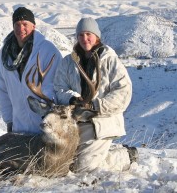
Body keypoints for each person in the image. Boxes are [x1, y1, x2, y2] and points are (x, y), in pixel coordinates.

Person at [54, 17, 138, 173]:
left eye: (88, 34)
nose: (84, 39)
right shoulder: (68, 62)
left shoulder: (110, 60)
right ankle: (102, 153)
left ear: (96, 36)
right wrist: (72, 98)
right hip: (76, 122)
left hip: (102, 122)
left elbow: (124, 92)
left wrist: (96, 105)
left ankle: (126, 155)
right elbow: (58, 88)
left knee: (84, 168)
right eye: (81, 35)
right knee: (65, 164)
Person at [0, 6, 62, 134]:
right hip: (18, 128)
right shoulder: (4, 56)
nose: (21, 29)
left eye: (25, 24)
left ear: (34, 26)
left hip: (43, 127)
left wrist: (45, 113)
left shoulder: (47, 51)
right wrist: (9, 120)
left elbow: (55, 84)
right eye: (17, 24)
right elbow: (2, 89)